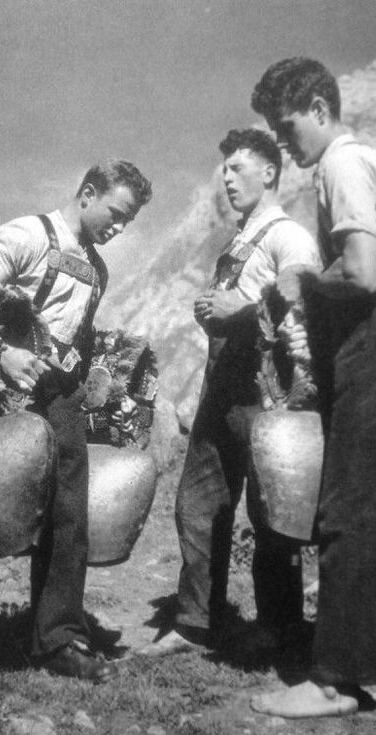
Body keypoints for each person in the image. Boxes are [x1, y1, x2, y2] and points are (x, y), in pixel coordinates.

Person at [0, 158, 152, 681]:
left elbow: (74, 340)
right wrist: (0, 355)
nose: (119, 228)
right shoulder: (26, 235)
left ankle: (57, 640)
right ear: (87, 192)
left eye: (128, 222)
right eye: (115, 213)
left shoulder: (98, 270)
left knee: (68, 516)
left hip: (59, 397)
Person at [249, 57, 376, 717]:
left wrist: (303, 284)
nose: (285, 144)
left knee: (350, 504)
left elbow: (365, 276)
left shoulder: (341, 163)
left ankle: (336, 678)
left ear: (317, 105)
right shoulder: (368, 160)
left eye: (286, 128)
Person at [142, 128, 321, 658]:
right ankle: (195, 623)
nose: (225, 178)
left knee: (272, 514)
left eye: (237, 169)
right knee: (196, 506)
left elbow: (301, 282)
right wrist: (211, 315)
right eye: (223, 170)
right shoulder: (239, 241)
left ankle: (277, 629)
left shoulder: (287, 233)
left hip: (269, 390)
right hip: (221, 388)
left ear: (269, 173)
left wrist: (237, 313)